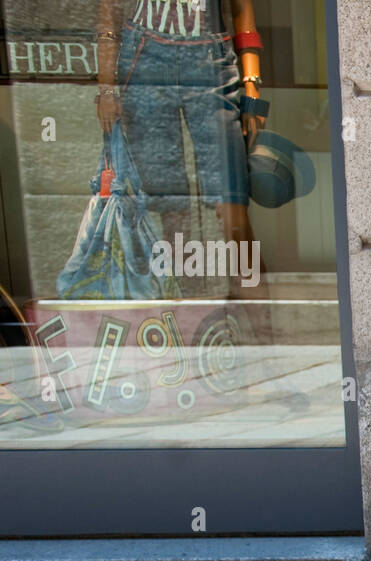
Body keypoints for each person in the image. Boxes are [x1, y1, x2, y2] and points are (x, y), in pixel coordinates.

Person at [94, 0, 268, 321]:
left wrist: (251, 84)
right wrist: (106, 87)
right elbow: (108, 18)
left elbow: (242, 10)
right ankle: (190, 315)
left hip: (209, 61)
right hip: (144, 59)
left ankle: (259, 320)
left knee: (231, 203)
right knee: (171, 206)